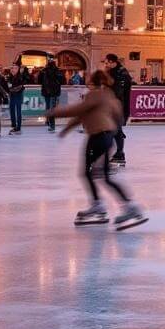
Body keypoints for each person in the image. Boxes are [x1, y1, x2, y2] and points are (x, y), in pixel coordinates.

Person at [54, 70, 146, 229]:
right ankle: (127, 207)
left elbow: (76, 111)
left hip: (97, 137)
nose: (88, 86)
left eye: (89, 83)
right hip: (106, 137)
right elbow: (113, 116)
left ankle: (106, 206)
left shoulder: (95, 95)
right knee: (102, 176)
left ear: (94, 83)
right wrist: (67, 129)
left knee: (88, 173)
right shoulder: (109, 96)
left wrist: (53, 112)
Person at [103, 54, 133, 166]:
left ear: (112, 62)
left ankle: (120, 153)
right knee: (114, 130)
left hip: (118, 106)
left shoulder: (122, 74)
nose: (105, 65)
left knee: (116, 130)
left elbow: (119, 93)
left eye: (106, 63)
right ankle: (118, 153)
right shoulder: (113, 72)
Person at [38, 57, 64, 133]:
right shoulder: (45, 70)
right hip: (49, 92)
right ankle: (49, 122)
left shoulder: (56, 70)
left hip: (53, 92)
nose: (51, 61)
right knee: (49, 108)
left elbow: (62, 81)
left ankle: (51, 125)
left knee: (51, 108)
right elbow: (40, 81)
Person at [7, 61, 30, 134]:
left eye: (15, 68)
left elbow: (23, 84)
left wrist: (13, 88)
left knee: (18, 111)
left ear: (18, 69)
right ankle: (14, 125)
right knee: (12, 110)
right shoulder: (10, 76)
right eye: (12, 68)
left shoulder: (20, 76)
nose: (13, 69)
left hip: (18, 95)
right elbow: (8, 85)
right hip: (12, 95)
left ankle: (18, 127)